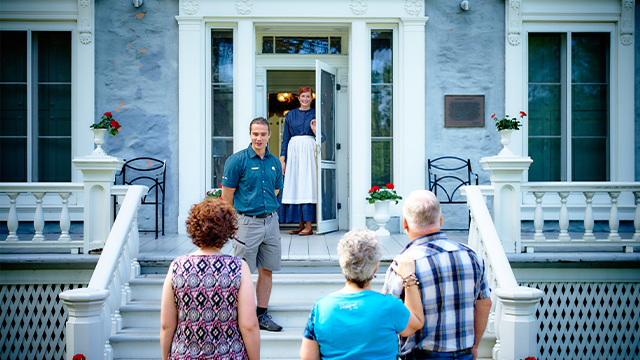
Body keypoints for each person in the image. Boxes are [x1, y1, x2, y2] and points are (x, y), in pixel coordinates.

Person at [382, 190, 492, 360]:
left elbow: (388, 316)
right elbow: (485, 304)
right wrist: (475, 344)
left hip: (422, 355)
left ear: (405, 223)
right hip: (465, 353)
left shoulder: (403, 265)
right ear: (440, 219)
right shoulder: (472, 256)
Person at [300, 229, 425, 360]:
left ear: (342, 264)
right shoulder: (389, 306)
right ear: (376, 267)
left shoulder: (321, 308)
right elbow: (416, 322)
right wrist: (409, 278)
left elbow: (308, 357)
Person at [160, 198, 260, 360]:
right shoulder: (238, 267)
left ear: (194, 228)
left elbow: (166, 325)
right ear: (228, 230)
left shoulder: (177, 266)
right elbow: (249, 326)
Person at [221, 117, 284, 332]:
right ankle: (241, 315)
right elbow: (227, 197)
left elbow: (274, 192)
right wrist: (231, 225)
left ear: (269, 135)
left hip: (271, 222)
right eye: (255, 134)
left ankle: (261, 314)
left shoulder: (275, 162)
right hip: (246, 223)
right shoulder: (237, 161)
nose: (259, 138)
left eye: (263, 134)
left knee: (267, 270)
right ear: (250, 134)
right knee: (243, 271)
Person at [279, 86, 318, 236]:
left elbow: (324, 137)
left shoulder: (316, 114)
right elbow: (285, 139)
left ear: (312, 98)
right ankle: (300, 224)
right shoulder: (290, 115)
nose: (306, 99)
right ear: (298, 98)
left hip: (309, 151)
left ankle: (309, 225)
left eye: (308, 96)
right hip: (293, 152)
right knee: (295, 184)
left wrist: (315, 131)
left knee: (307, 185)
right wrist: (283, 159)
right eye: (303, 96)